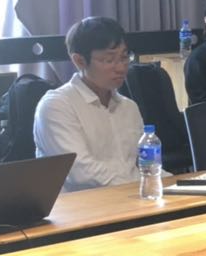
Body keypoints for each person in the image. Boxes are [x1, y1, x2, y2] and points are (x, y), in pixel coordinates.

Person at [34, 17, 145, 191]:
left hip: (131, 197)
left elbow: (144, 164)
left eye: (124, 57)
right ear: (79, 61)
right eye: (109, 60)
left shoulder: (129, 107)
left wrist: (171, 183)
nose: (121, 67)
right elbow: (80, 171)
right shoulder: (57, 106)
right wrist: (136, 186)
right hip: (80, 204)